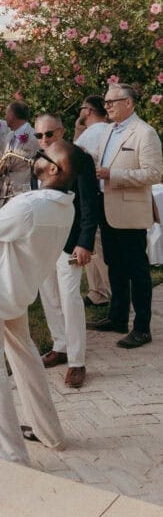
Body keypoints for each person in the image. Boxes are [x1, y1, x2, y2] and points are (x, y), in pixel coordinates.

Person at [0, 140, 80, 465]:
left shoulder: (32, 206)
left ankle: (10, 455)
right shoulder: (65, 205)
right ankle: (50, 434)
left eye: (45, 155)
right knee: (27, 363)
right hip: (16, 294)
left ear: (54, 169)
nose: (37, 157)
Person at [91, 84, 162, 349]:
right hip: (107, 209)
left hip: (131, 212)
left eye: (112, 102)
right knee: (114, 265)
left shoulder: (145, 133)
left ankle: (142, 328)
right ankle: (117, 317)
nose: (107, 106)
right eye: (105, 102)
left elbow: (154, 173)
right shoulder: (109, 130)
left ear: (129, 104)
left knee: (137, 270)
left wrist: (114, 175)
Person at [34, 114, 99, 389]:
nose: (45, 140)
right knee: (48, 295)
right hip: (42, 241)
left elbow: (89, 204)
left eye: (50, 134)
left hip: (70, 241)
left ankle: (77, 361)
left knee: (70, 297)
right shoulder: (37, 159)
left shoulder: (80, 159)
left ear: (62, 131)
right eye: (40, 135)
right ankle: (59, 345)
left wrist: (85, 242)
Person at [73, 95, 112, 308]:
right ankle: (97, 291)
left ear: (87, 110)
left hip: (93, 195)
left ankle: (106, 291)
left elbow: (69, 158)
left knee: (96, 246)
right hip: (106, 194)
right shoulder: (109, 130)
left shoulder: (91, 134)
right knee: (97, 246)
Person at [0, 100, 35, 203]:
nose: (4, 117)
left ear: (11, 115)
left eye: (6, 113)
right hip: (6, 194)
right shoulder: (9, 136)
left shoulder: (34, 137)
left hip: (24, 195)